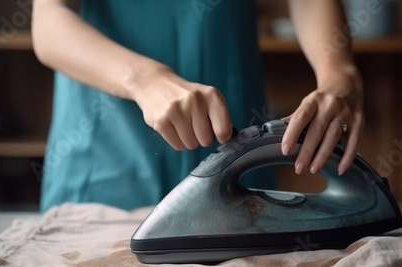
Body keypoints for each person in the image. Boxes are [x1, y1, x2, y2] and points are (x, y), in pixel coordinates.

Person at [32, 0, 364, 211]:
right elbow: (49, 22)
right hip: (104, 151)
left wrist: (340, 76)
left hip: (237, 145)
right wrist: (145, 79)